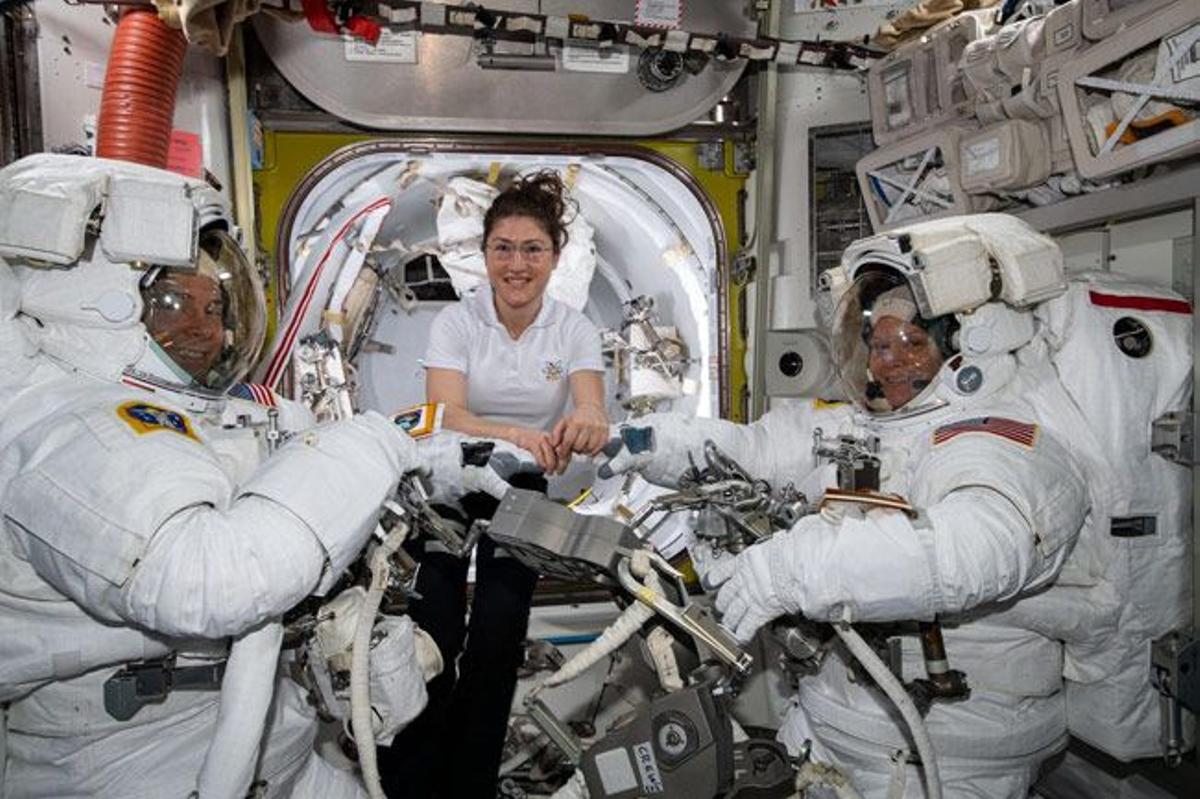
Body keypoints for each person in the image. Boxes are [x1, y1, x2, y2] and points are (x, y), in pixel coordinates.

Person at [0, 154, 492, 798]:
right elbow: (209, 578)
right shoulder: (63, 430)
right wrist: (379, 441)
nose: (205, 330)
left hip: (265, 741)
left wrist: (442, 461)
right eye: (173, 303)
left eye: (214, 306)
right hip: (136, 764)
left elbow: (300, 462)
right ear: (96, 303)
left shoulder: (209, 416)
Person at [603, 214, 1103, 797]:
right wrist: (657, 443)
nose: (884, 363)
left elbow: (978, 550)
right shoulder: (863, 426)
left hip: (942, 755)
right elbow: (757, 450)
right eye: (877, 343)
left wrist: (794, 569)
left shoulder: (1001, 439)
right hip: (827, 726)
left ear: (972, 346)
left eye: (910, 345)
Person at [380, 171, 608, 798]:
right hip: (453, 473)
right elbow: (445, 414)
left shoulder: (574, 329)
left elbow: (591, 405)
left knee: (499, 631)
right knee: (436, 629)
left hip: (524, 482)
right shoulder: (457, 323)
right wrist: (517, 431)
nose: (516, 263)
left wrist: (587, 421)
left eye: (532, 248)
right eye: (503, 248)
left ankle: (470, 784)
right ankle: (411, 777)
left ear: (555, 258)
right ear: (484, 255)